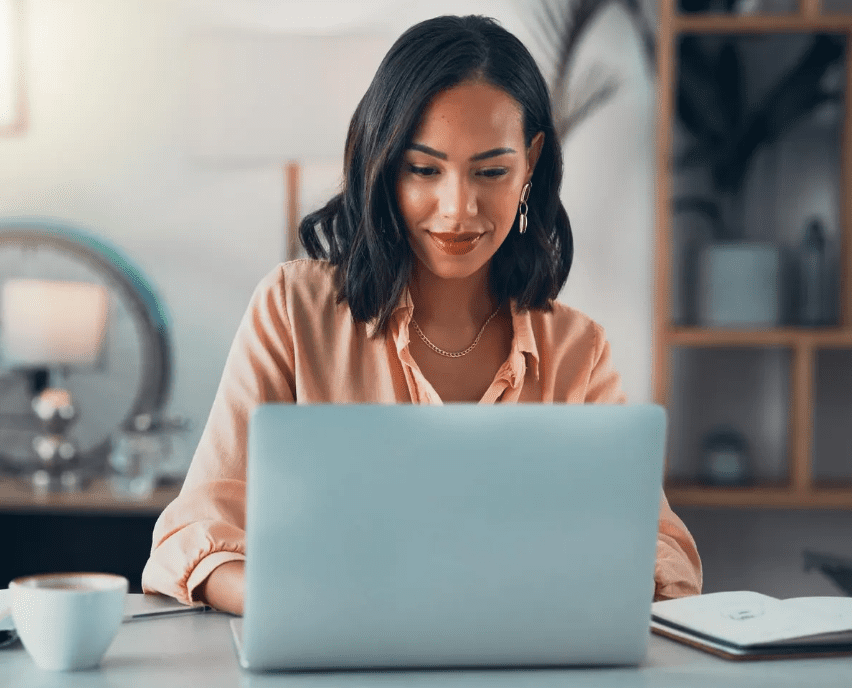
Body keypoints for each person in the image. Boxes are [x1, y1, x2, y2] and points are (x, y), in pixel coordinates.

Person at [142, 14, 702, 615]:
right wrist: (294, 604)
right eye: (424, 169)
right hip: (333, 649)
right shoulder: (293, 310)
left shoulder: (576, 351)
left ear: (531, 164)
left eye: (491, 171)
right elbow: (193, 534)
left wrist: (573, 590)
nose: (458, 209)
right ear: (383, 166)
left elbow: (660, 550)